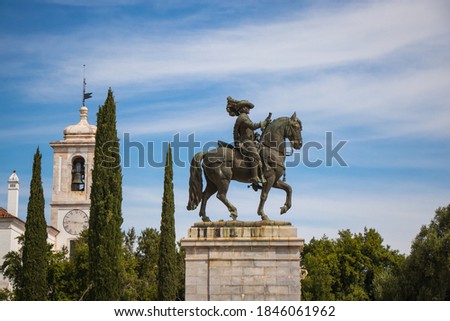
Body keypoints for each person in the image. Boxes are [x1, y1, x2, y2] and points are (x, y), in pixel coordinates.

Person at [226, 96, 269, 184]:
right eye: (247, 107)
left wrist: (254, 136)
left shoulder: (244, 116)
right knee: (255, 156)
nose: (249, 109)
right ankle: (254, 177)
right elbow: (252, 126)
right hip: (245, 142)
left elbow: (248, 130)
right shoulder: (242, 117)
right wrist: (264, 123)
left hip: (249, 141)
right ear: (243, 108)